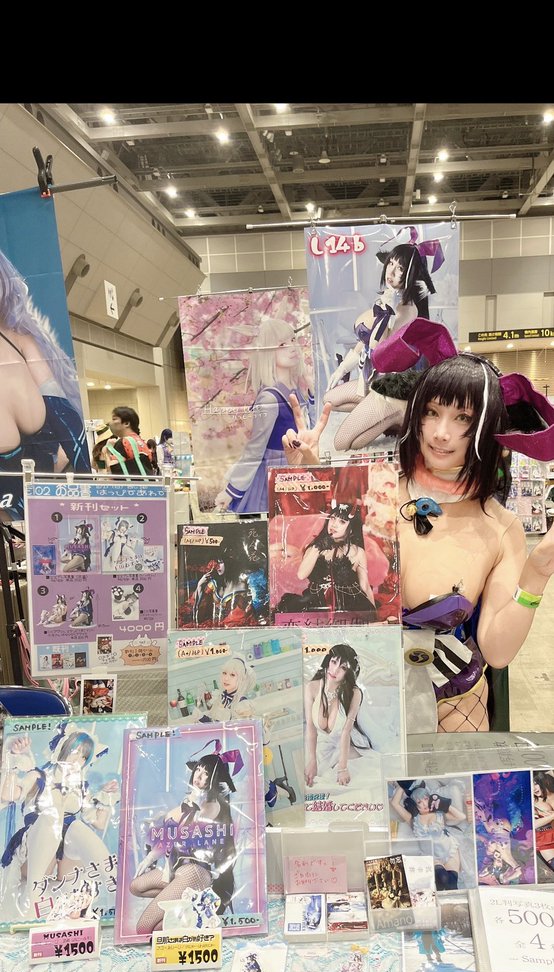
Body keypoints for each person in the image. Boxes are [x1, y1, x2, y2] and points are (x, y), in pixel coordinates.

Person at [281, 322, 554, 734]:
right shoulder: (372, 489)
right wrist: (310, 476)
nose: (441, 433)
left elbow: (498, 651)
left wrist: (537, 573)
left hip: (454, 706)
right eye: (432, 412)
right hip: (360, 691)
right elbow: (304, 570)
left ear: (487, 427)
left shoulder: (501, 527)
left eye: (463, 418)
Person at [323, 236, 440, 453]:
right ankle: (387, 419)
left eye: (400, 268)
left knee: (342, 442)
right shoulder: (388, 301)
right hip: (377, 382)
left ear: (411, 274)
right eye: (391, 263)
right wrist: (343, 369)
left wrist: (387, 315)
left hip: (394, 391)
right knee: (330, 399)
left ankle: (399, 416)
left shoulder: (409, 311)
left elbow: (382, 355)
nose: (391, 271)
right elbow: (365, 343)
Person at [0, 246, 90, 520]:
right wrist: (83, 479)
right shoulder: (20, 339)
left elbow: (64, 415)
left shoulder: (20, 339)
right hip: (39, 481)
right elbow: (65, 416)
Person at [0, 728, 118, 920]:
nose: (77, 760)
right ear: (63, 749)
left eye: (83, 757)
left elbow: (98, 823)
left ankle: (115, 890)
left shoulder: (80, 788)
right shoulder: (39, 776)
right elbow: (8, 795)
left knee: (77, 826)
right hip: (36, 846)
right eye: (75, 752)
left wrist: (107, 797)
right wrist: (13, 760)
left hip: (65, 857)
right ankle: (32, 902)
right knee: (52, 818)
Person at [129, 753, 238, 935]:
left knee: (144, 927)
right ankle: (190, 901)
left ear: (213, 779)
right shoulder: (192, 801)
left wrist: (184, 808)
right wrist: (149, 858)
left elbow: (184, 832)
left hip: (195, 872)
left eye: (205, 773)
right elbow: (170, 831)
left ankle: (194, 909)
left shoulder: (211, 805)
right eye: (198, 770)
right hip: (176, 869)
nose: (198, 775)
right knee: (136, 886)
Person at [213, 318, 314, 514]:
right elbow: (255, 448)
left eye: (293, 340)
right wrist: (231, 491)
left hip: (296, 468)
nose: (292, 347)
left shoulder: (295, 389)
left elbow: (310, 428)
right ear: (268, 351)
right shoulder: (269, 397)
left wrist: (311, 390)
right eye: (282, 344)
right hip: (276, 472)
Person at [276, 496, 377, 617]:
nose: (334, 524)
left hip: (350, 604)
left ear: (351, 529)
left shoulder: (357, 552)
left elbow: (365, 585)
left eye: (342, 522)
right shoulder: (314, 547)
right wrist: (318, 547)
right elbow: (301, 575)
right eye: (332, 518)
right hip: (318, 603)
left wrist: (374, 615)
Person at [304, 643, 377, 788]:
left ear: (348, 672)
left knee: (362, 777)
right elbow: (311, 729)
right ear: (328, 661)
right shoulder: (312, 688)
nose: (335, 670)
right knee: (311, 779)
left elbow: (346, 732)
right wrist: (312, 760)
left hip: (345, 745)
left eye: (343, 667)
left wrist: (342, 768)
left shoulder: (354, 693)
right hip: (319, 748)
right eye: (333, 662)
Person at [390, 781, 468, 891]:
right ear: (415, 805)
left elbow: (461, 817)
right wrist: (402, 784)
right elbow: (394, 803)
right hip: (431, 855)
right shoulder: (413, 820)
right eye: (419, 802)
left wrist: (445, 805)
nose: (424, 804)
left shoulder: (439, 814)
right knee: (442, 879)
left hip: (449, 850)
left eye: (426, 799)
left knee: (451, 885)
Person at [106, 406, 155, 476]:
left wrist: (107, 452)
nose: (110, 423)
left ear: (126, 423)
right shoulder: (141, 442)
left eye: (114, 419)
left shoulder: (123, 443)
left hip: (130, 482)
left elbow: (113, 471)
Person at [533, 770, 554, 872]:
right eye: (531, 785)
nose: (533, 788)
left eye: (535, 783)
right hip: (545, 841)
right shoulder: (533, 802)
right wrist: (552, 816)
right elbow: (534, 824)